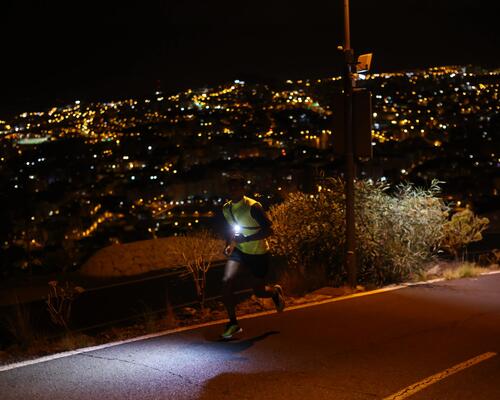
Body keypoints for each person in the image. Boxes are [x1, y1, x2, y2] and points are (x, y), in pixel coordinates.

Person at [219, 175, 285, 339]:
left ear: (243, 188)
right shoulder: (226, 208)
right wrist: (228, 245)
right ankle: (233, 324)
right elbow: (231, 229)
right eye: (231, 187)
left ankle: (275, 292)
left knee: (260, 292)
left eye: (236, 187)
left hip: (258, 253)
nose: (233, 190)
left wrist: (247, 238)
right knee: (227, 282)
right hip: (239, 251)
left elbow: (269, 230)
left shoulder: (253, 207)